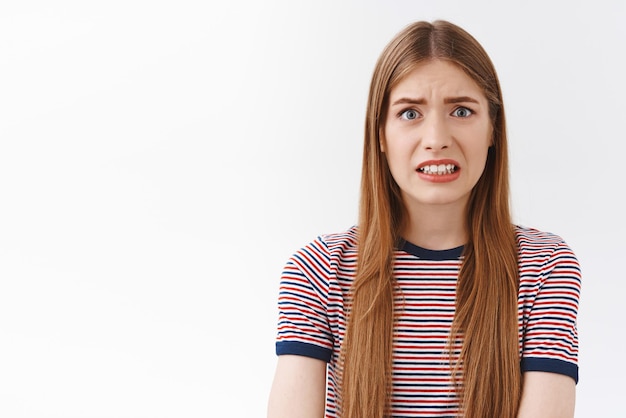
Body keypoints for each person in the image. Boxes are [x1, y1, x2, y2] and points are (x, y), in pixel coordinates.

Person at [267, 20, 581, 418]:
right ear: (380, 134)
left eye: (462, 111)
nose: (436, 137)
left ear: (492, 131)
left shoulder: (544, 266)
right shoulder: (317, 270)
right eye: (410, 113)